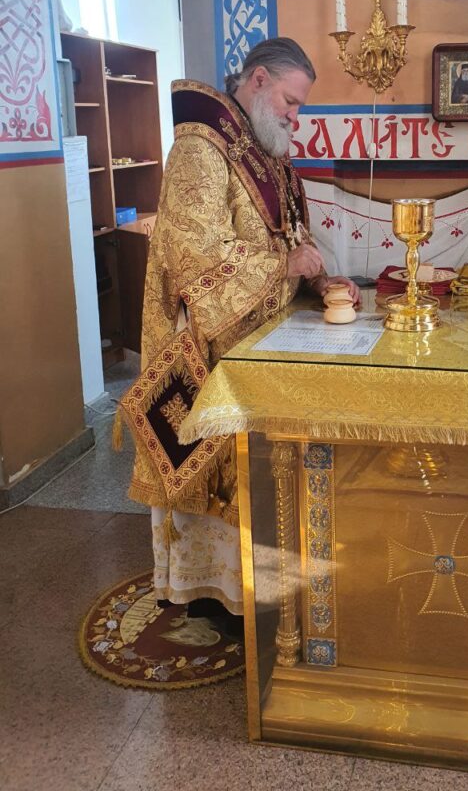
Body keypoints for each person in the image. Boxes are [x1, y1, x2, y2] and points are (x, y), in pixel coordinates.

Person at [119, 38, 359, 624]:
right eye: (290, 101)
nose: (295, 116)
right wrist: (284, 266)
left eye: (299, 106)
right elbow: (196, 257)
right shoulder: (200, 149)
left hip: (257, 347)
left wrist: (320, 278)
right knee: (213, 479)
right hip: (208, 353)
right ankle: (211, 593)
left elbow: (289, 238)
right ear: (257, 81)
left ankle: (256, 588)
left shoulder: (264, 151)